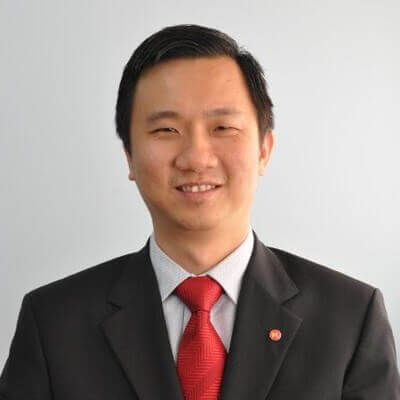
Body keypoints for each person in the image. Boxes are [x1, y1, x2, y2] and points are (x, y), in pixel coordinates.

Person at [0, 24, 399, 400]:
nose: (195, 157)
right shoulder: (53, 323)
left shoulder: (350, 318)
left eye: (223, 127)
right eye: (166, 130)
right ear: (130, 156)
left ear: (264, 149)